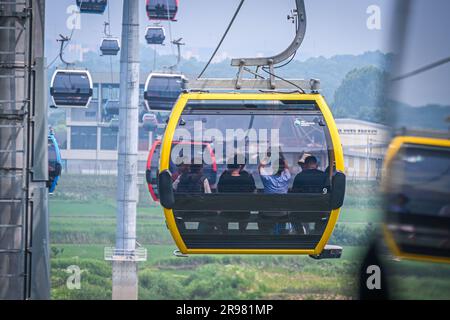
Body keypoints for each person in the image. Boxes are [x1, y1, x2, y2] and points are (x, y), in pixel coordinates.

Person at [217, 155, 256, 233]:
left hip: (227, 211)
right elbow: (253, 192)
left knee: (223, 215)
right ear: (240, 166)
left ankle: (225, 235)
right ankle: (242, 233)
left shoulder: (224, 176)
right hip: (243, 212)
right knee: (245, 213)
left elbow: (219, 191)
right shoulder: (247, 176)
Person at [291, 156, 328, 234]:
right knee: (324, 218)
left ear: (306, 164)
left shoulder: (299, 176)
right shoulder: (324, 176)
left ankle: (301, 232)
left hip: (302, 212)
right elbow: (327, 191)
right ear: (315, 164)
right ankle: (317, 232)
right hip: (319, 212)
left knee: (291, 215)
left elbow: (294, 194)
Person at [174, 164, 215, 233]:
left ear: (190, 167)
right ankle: (200, 233)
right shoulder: (203, 179)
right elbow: (208, 196)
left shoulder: (181, 177)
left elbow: (173, 188)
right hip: (199, 211)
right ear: (200, 169)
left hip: (182, 210)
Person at [258, 156, 291, 234]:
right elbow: (287, 167)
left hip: (268, 212)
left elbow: (260, 167)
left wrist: (267, 156)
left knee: (260, 214)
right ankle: (280, 233)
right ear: (283, 169)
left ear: (272, 168)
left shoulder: (267, 178)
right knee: (283, 215)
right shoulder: (287, 177)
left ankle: (266, 234)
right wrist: (282, 155)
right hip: (282, 212)